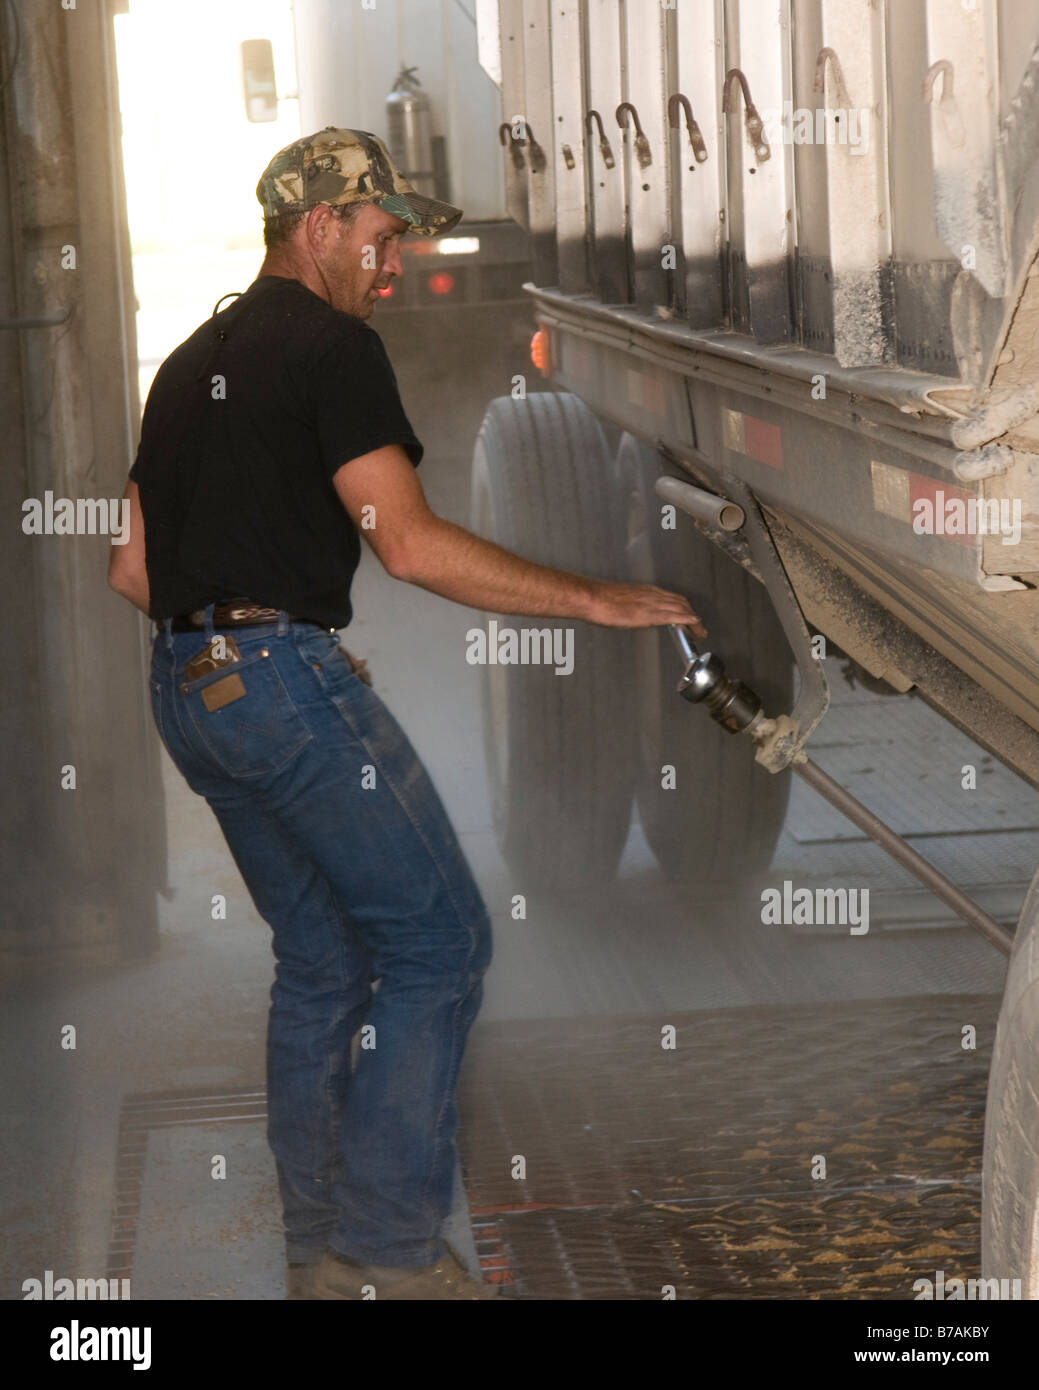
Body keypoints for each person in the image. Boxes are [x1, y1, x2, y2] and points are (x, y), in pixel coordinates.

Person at [108, 127, 704, 1301]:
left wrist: (244, 649)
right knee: (441, 943)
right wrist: (594, 595)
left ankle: (320, 1257)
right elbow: (414, 545)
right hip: (270, 678)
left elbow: (132, 569)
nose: (393, 267)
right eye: (380, 239)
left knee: (323, 959)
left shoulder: (188, 359)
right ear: (316, 225)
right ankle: (384, 1253)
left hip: (190, 690)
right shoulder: (333, 349)